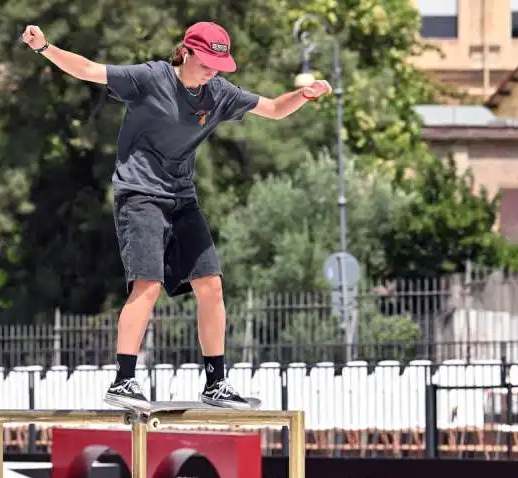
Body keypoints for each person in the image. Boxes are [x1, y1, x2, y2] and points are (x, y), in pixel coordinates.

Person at [20, 21, 332, 411]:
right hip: (139, 195)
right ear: (186, 52)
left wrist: (303, 95)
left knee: (211, 284)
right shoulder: (149, 79)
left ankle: (216, 383)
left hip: (181, 198)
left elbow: (272, 109)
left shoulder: (218, 93)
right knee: (147, 286)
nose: (212, 72)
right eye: (206, 63)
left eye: (219, 65)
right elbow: (88, 69)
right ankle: (123, 381)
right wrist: (44, 47)